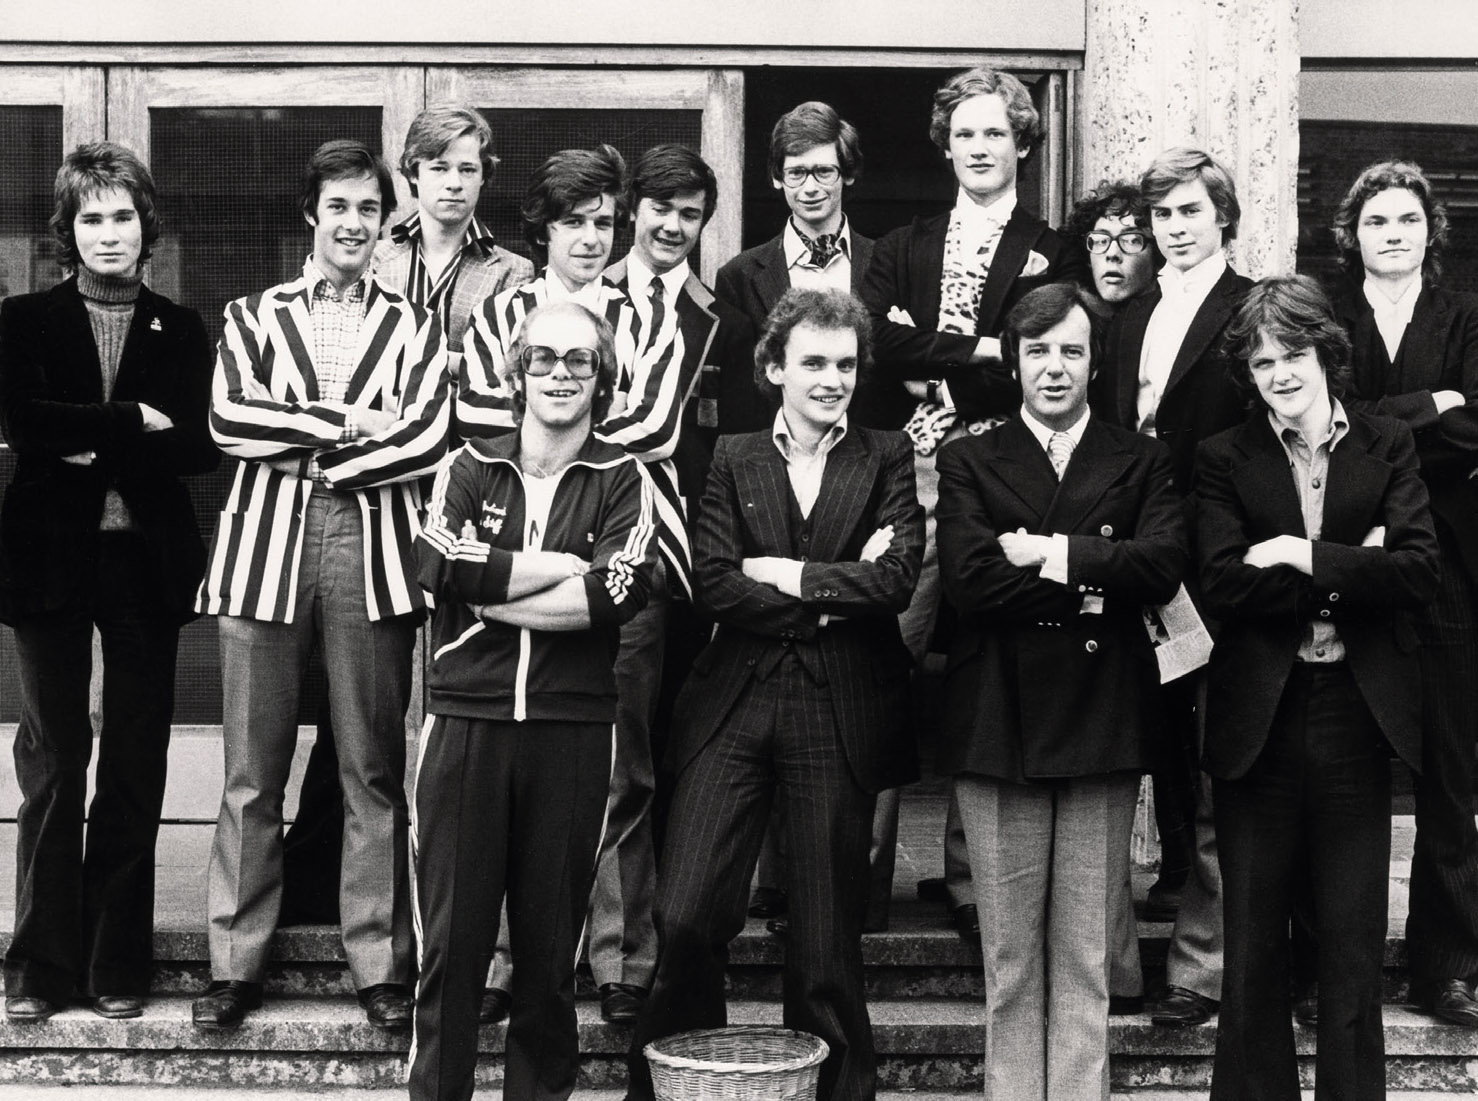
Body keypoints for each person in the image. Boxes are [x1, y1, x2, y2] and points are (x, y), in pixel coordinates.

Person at [627, 288, 923, 1101]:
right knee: (685, 910)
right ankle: (677, 1084)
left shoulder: (887, 454)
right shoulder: (732, 455)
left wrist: (785, 572)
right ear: (773, 368)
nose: (832, 379)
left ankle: (837, 1094)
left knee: (826, 941)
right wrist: (837, 584)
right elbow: (716, 584)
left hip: (838, 705)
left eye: (846, 364)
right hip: (735, 699)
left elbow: (894, 581)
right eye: (814, 362)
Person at [190, 139, 451, 1031]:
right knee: (249, 772)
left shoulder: (417, 324)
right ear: (312, 213)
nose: (353, 223)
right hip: (263, 544)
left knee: (371, 766)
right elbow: (230, 416)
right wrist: (349, 422)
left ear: (387, 223)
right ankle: (234, 961)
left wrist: (315, 450)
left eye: (370, 210)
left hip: (371, 544)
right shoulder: (253, 312)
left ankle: (378, 963)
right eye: (338, 205)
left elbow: (424, 438)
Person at [282, 103, 536, 928]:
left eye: (468, 168)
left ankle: (444, 897)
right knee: (360, 713)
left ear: (482, 178)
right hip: (374, 497)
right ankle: (322, 885)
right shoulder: (371, 251)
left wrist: (433, 375)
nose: (453, 182)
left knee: (450, 697)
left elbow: (503, 383)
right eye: (438, 168)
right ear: (413, 176)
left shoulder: (512, 272)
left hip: (468, 494)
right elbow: (341, 373)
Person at [936, 281, 1186, 1100]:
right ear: (1013, 360)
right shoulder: (968, 456)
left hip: (1101, 718)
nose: (1054, 367)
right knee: (1009, 959)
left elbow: (1159, 567)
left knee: (1084, 956)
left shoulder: (1140, 457)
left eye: (1071, 351)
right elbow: (971, 586)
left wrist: (1045, 553)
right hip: (996, 723)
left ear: (1093, 361)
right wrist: (1093, 578)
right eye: (1037, 351)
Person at [1197, 274, 1439, 1100]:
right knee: (1254, 950)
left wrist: (1300, 556)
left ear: (1325, 352)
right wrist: (1354, 564)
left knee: (1350, 949)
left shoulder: (1387, 445)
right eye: (1261, 362)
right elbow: (1225, 584)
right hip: (1259, 719)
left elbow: (1417, 571)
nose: (1278, 373)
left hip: (1354, 719)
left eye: (1292, 353)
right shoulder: (1222, 457)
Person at [409, 299, 658, 1101]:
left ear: (602, 377)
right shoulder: (468, 465)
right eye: (544, 358)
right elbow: (441, 567)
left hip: (573, 731)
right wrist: (563, 567)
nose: (560, 374)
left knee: (551, 962)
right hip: (467, 724)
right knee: (452, 952)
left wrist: (498, 582)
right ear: (518, 372)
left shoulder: (626, 478)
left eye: (579, 361)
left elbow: (613, 593)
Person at [860, 64, 1086, 942]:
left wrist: (948, 351)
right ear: (945, 145)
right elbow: (879, 341)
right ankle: (862, 876)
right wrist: (988, 346)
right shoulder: (904, 243)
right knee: (885, 655)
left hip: (1007, 481)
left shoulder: (1052, 247)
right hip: (912, 480)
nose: (979, 147)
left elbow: (1044, 354)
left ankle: (972, 880)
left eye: (996, 132)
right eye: (965, 133)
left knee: (990, 669)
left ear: (1023, 142)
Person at [0, 142, 217, 1022]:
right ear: (69, 231)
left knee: (134, 759)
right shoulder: (20, 320)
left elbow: (199, 446)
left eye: (122, 215)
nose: (108, 232)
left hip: (144, 565)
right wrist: (130, 418)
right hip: (50, 559)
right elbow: (22, 418)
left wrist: (82, 436)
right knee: (55, 759)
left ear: (146, 224)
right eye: (91, 217)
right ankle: (42, 965)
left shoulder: (183, 327)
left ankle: (116, 957)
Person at [589, 143, 754, 1022]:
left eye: (688, 213)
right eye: (658, 207)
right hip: (570, 544)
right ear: (632, 210)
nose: (670, 225)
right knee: (583, 752)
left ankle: (627, 956)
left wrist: (579, 422)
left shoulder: (712, 313)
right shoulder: (587, 285)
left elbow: (654, 428)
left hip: (669, 559)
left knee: (646, 759)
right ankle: (559, 942)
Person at [1094, 146, 1255, 1029]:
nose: (1176, 229)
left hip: (1213, 562)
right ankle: (1118, 961)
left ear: (1222, 216)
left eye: (1191, 212)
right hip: (1135, 562)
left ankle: (1202, 964)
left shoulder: (1248, 308)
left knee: (1213, 757)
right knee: (1142, 746)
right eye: (1163, 217)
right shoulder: (1130, 316)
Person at [1329, 160, 1478, 1029]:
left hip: (1451, 562)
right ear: (1353, 234)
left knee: (1449, 767)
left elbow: (1474, 424)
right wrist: (1437, 403)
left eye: (1408, 220)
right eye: (1378, 220)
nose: (1394, 233)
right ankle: (1329, 961)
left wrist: (1384, 414)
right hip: (1352, 549)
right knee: (1338, 762)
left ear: (1431, 231)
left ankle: (1448, 965)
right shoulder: (1332, 317)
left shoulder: (1466, 315)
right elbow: (1327, 417)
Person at [1061, 178, 1175, 1015]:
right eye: (1100, 238)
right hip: (1078, 587)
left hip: (1156, 552)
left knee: (1168, 731)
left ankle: (1148, 928)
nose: (1114, 252)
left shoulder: (1167, 326)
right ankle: (1111, 963)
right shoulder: (1067, 329)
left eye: (1131, 237)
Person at [716, 101, 874, 434]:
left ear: (847, 173)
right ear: (778, 178)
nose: (811, 187)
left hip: (868, 458)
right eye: (797, 173)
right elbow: (736, 395)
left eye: (824, 171)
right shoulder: (739, 276)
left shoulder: (886, 262)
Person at [459, 144, 632, 442]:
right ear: (542, 231)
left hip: (620, 488)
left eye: (602, 223)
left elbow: (657, 430)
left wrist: (521, 402)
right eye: (574, 222)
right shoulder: (494, 315)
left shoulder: (651, 317)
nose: (591, 239)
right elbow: (474, 415)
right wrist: (607, 408)